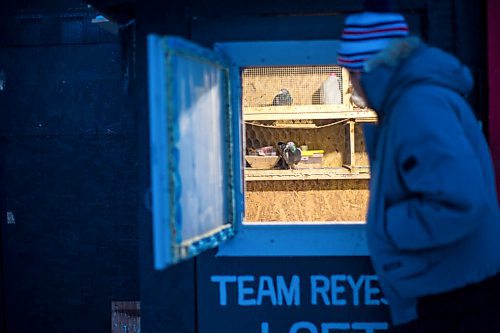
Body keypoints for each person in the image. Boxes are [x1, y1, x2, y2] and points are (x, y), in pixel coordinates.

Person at [337, 10, 500, 333]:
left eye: (351, 73)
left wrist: (385, 227)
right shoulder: (414, 101)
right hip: (451, 291)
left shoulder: (417, 105)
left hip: (453, 303)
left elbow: (459, 202)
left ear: (371, 68)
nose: (352, 85)